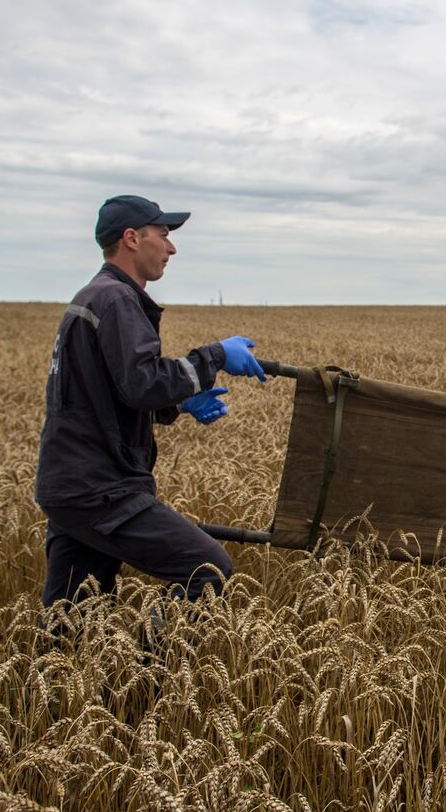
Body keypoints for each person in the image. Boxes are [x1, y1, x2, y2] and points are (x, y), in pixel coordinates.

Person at [34, 194, 269, 611]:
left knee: (71, 620)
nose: (172, 248)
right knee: (207, 570)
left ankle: (71, 677)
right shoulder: (116, 300)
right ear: (131, 239)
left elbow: (111, 393)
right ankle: (145, 676)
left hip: (73, 485)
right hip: (101, 488)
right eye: (163, 235)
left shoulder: (94, 297)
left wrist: (179, 404)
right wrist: (214, 355)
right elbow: (141, 383)